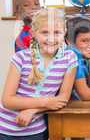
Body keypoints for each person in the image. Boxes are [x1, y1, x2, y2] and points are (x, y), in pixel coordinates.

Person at [0, 8, 78, 139]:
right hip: (5, 130)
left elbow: (62, 98)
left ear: (64, 33)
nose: (51, 38)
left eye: (57, 32)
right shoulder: (20, 58)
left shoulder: (70, 58)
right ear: (33, 33)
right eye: (45, 32)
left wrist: (33, 110)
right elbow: (8, 100)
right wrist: (46, 102)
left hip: (36, 132)